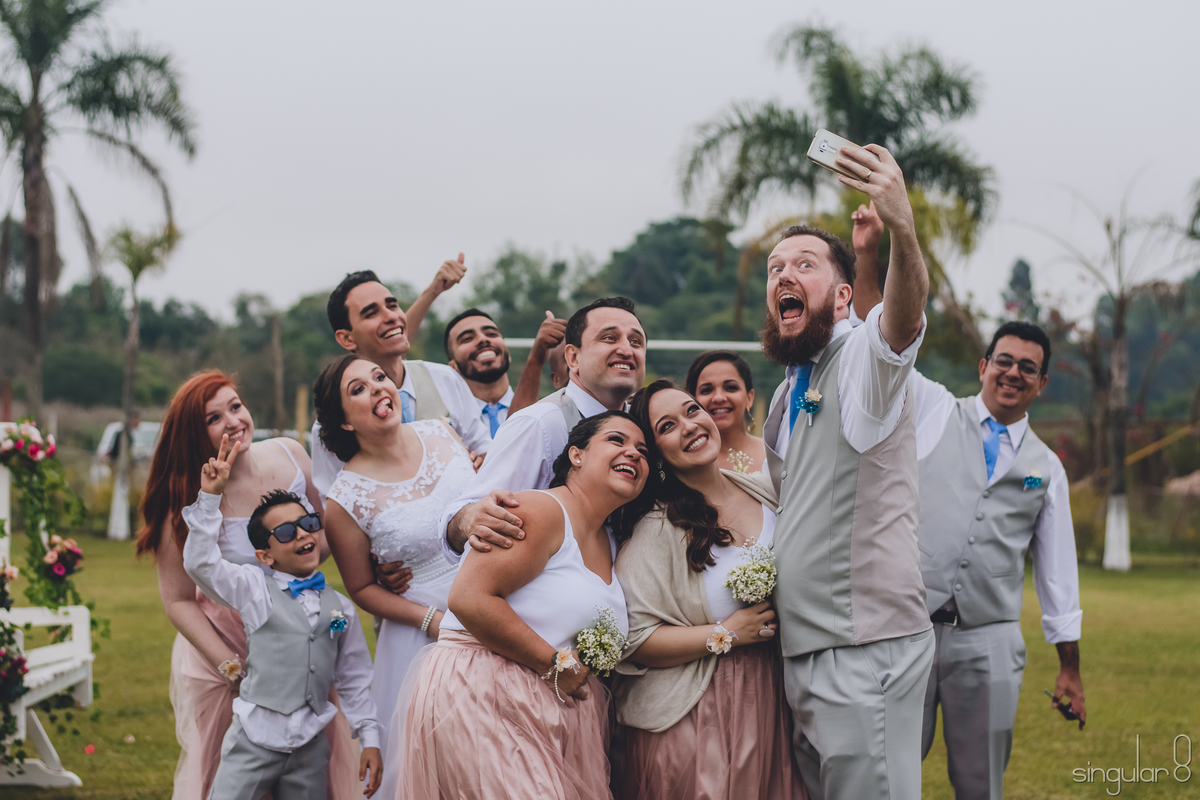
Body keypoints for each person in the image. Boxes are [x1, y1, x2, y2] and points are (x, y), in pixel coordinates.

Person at [760, 143, 934, 799]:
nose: (783, 274)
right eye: (775, 267)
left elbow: (903, 316)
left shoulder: (863, 359)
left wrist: (901, 229)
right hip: (804, 651)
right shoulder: (784, 392)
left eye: (803, 264)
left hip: (867, 650)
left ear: (839, 295)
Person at [396, 411, 647, 799]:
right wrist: (554, 665)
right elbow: (469, 599)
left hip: (555, 707)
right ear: (576, 455)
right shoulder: (538, 511)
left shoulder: (612, 540)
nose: (632, 453)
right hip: (485, 690)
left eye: (642, 450)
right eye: (617, 440)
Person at [136, 372, 360, 800]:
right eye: (213, 418)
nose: (233, 421)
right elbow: (179, 601)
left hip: (300, 638)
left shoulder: (290, 454)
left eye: (235, 406)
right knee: (234, 775)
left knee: (312, 767)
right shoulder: (184, 496)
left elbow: (326, 534)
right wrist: (232, 669)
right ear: (193, 433)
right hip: (225, 647)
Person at [614, 379, 806, 800]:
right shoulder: (657, 529)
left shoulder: (764, 489)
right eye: (667, 426)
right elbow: (636, 639)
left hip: (775, 693)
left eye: (691, 410)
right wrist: (727, 634)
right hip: (701, 708)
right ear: (657, 454)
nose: (688, 425)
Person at [313, 354, 476, 795]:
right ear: (344, 422)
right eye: (358, 390)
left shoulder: (441, 433)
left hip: (494, 595)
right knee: (439, 761)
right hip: (421, 632)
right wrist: (431, 621)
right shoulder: (345, 499)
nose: (378, 389)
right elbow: (362, 586)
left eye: (379, 378)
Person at [182, 443, 383, 800]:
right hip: (254, 740)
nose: (303, 534)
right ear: (265, 556)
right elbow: (202, 565)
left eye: (307, 524)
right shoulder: (254, 589)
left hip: (310, 747)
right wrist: (210, 498)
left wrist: (369, 738)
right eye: (287, 532)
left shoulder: (340, 608)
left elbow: (353, 677)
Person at [438, 297, 646, 558]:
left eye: (636, 342)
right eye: (609, 338)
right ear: (572, 357)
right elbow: (463, 519)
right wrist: (469, 520)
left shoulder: (646, 426)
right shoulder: (539, 424)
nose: (627, 350)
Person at [310, 269, 491, 503]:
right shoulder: (332, 424)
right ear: (347, 338)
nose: (391, 317)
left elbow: (486, 449)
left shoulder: (446, 379)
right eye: (371, 313)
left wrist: (479, 461)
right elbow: (334, 505)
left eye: (392, 305)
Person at [442, 308, 565, 435]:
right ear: (453, 366)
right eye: (467, 338)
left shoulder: (548, 413)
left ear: (508, 354)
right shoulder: (447, 423)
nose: (483, 339)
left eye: (491, 334)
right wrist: (535, 361)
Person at [686, 350, 766, 473]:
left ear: (749, 398)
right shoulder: (686, 463)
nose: (719, 398)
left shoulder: (773, 455)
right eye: (706, 390)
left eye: (731, 388)